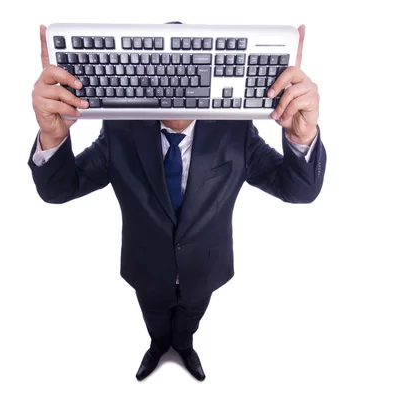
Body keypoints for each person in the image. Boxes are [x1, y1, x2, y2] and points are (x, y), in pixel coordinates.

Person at [28, 23, 326, 381]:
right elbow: (59, 189)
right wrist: (52, 134)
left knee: (189, 321)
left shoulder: (235, 129)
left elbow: (298, 190)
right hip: (146, 270)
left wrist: (301, 136)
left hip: (205, 269)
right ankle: (157, 347)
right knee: (155, 321)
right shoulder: (121, 129)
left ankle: (184, 347)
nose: (177, 84)